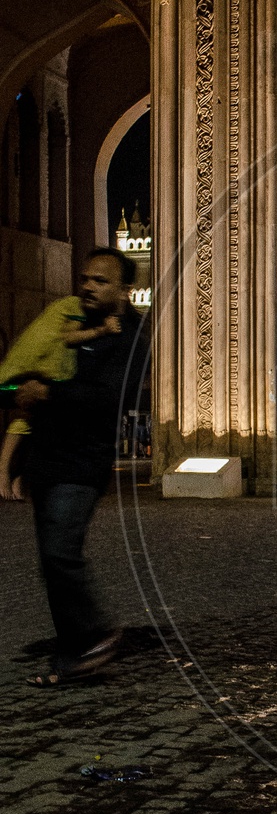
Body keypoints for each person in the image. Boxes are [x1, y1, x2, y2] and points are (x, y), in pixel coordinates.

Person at [3, 248, 146, 685]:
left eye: (100, 281)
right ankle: (72, 656)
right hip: (48, 459)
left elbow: (112, 398)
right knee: (52, 560)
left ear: (124, 290)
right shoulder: (69, 322)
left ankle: (93, 636)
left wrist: (47, 393)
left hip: (83, 462)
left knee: (61, 554)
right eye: (85, 278)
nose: (88, 286)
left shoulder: (131, 338)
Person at [0, 294, 124, 500]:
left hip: (39, 370)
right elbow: (68, 337)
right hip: (38, 372)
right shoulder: (76, 305)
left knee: (35, 422)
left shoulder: (77, 307)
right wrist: (102, 330)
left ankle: (19, 479)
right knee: (28, 418)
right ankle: (8, 475)